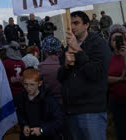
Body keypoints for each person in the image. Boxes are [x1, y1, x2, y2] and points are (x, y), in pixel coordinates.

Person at [57, 11, 111, 140]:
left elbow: (96, 73)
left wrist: (79, 51)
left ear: (86, 25)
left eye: (76, 23)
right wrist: (65, 65)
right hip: (71, 110)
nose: (73, 27)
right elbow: (60, 78)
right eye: (70, 24)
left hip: (91, 111)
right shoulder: (66, 49)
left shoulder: (98, 44)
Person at [14, 68, 63, 140]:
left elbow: (59, 120)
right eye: (25, 84)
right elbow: (19, 114)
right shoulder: (21, 97)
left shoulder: (49, 99)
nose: (28, 88)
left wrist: (42, 130)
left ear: (39, 83)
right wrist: (24, 125)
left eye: (32, 85)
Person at [107, 24, 126, 140]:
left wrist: (125, 57)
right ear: (110, 43)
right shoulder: (108, 58)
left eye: (120, 39)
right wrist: (120, 79)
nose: (117, 42)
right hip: (116, 101)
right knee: (121, 131)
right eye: (114, 40)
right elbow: (105, 78)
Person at [38, 37, 62, 104]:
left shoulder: (41, 67)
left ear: (44, 51)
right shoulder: (65, 64)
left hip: (49, 103)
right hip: (66, 102)